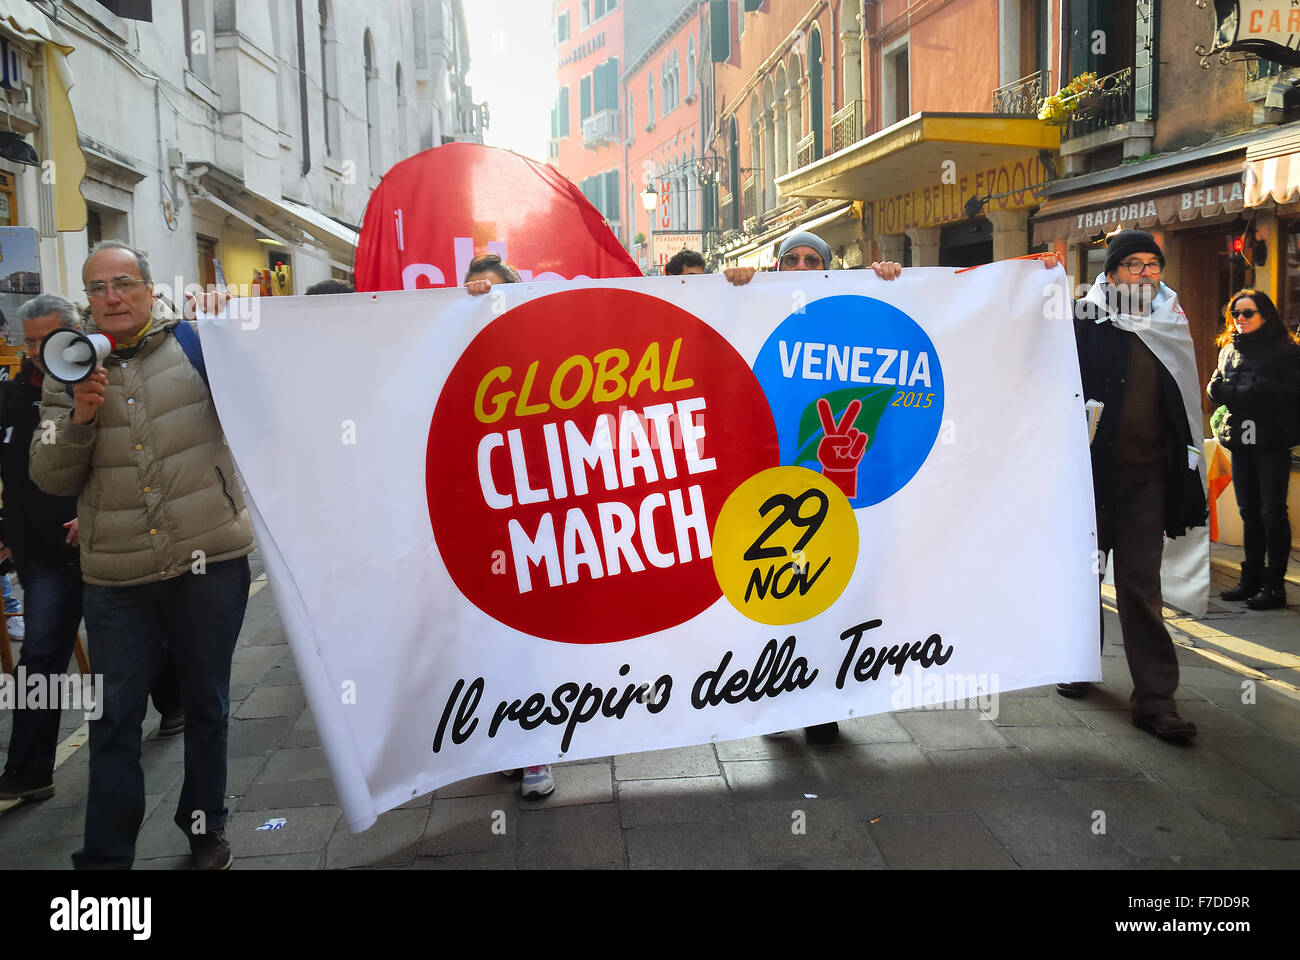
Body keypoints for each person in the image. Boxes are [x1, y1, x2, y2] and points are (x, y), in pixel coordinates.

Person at [30, 241, 255, 868]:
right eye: (98, 288)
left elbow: (266, 404)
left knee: (207, 702)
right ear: (87, 300)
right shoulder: (66, 370)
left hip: (208, 557)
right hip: (116, 574)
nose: (113, 297)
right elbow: (48, 475)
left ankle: (204, 825)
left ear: (150, 288)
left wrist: (229, 328)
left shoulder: (197, 343)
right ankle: (106, 858)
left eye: (124, 283)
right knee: (113, 720)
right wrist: (79, 417)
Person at [725, 229, 903, 744]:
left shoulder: (848, 312)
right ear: (776, 266)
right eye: (791, 259)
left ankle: (822, 703)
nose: (802, 266)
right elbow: (726, 340)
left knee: (831, 594)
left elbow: (886, 338)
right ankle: (778, 697)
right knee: (777, 593)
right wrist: (735, 287)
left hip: (841, 487)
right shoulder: (755, 305)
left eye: (813, 259)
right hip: (770, 485)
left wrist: (889, 286)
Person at [1051, 230, 1207, 742]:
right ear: (1112, 272)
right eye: (1134, 265)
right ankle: (1078, 663)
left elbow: (1184, 403)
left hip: (1148, 482)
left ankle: (1156, 702)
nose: (1146, 274)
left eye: (1153, 265)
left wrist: (1185, 473)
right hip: (1092, 480)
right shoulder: (1084, 319)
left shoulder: (1171, 323)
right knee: (1081, 580)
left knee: (1141, 589)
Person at [464, 252, 555, 799]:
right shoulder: (448, 356)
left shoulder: (539, 357)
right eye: (474, 290)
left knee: (530, 639)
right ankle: (505, 740)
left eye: (495, 292)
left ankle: (534, 752)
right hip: (477, 523)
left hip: (536, 522)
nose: (484, 300)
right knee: (489, 638)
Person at [1207, 289, 1300, 610]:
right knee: (1248, 513)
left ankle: (1274, 585)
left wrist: (1256, 387)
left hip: (1271, 440)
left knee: (1271, 512)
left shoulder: (1285, 351)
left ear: (1265, 316)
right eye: (1235, 314)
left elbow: (1293, 390)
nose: (1240, 319)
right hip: (1240, 438)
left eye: (1247, 313)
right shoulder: (1229, 349)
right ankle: (1250, 579)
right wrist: (1220, 388)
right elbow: (1216, 386)